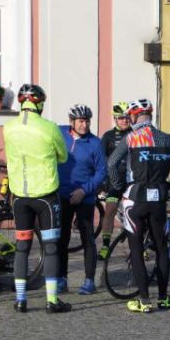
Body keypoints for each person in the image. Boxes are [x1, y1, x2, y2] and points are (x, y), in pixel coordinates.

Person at [106, 98, 170, 313]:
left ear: (134, 116)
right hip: (158, 200)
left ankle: (144, 301)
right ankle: (163, 298)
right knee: (162, 249)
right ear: (150, 115)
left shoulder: (130, 138)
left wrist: (119, 186)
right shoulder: (168, 139)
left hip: (134, 200)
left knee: (136, 250)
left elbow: (111, 163)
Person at [2, 83, 71, 314]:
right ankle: (52, 300)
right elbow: (63, 157)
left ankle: (21, 300)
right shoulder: (50, 128)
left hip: (20, 197)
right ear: (39, 104)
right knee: (50, 248)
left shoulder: (8, 128)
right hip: (45, 195)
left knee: (22, 247)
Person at [57, 104, 107, 295]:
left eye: (87, 121)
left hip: (84, 196)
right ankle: (62, 279)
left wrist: (84, 190)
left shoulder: (95, 143)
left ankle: (89, 281)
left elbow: (101, 171)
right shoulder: (60, 133)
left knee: (88, 239)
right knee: (62, 238)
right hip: (62, 194)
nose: (84, 125)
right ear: (71, 122)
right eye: (80, 121)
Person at [98, 100, 132, 259]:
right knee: (110, 210)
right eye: (121, 118)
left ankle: (139, 246)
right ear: (115, 119)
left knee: (134, 214)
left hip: (132, 181)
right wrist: (102, 182)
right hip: (114, 182)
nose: (124, 121)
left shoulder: (135, 133)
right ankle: (105, 246)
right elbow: (101, 159)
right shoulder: (108, 136)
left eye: (126, 117)